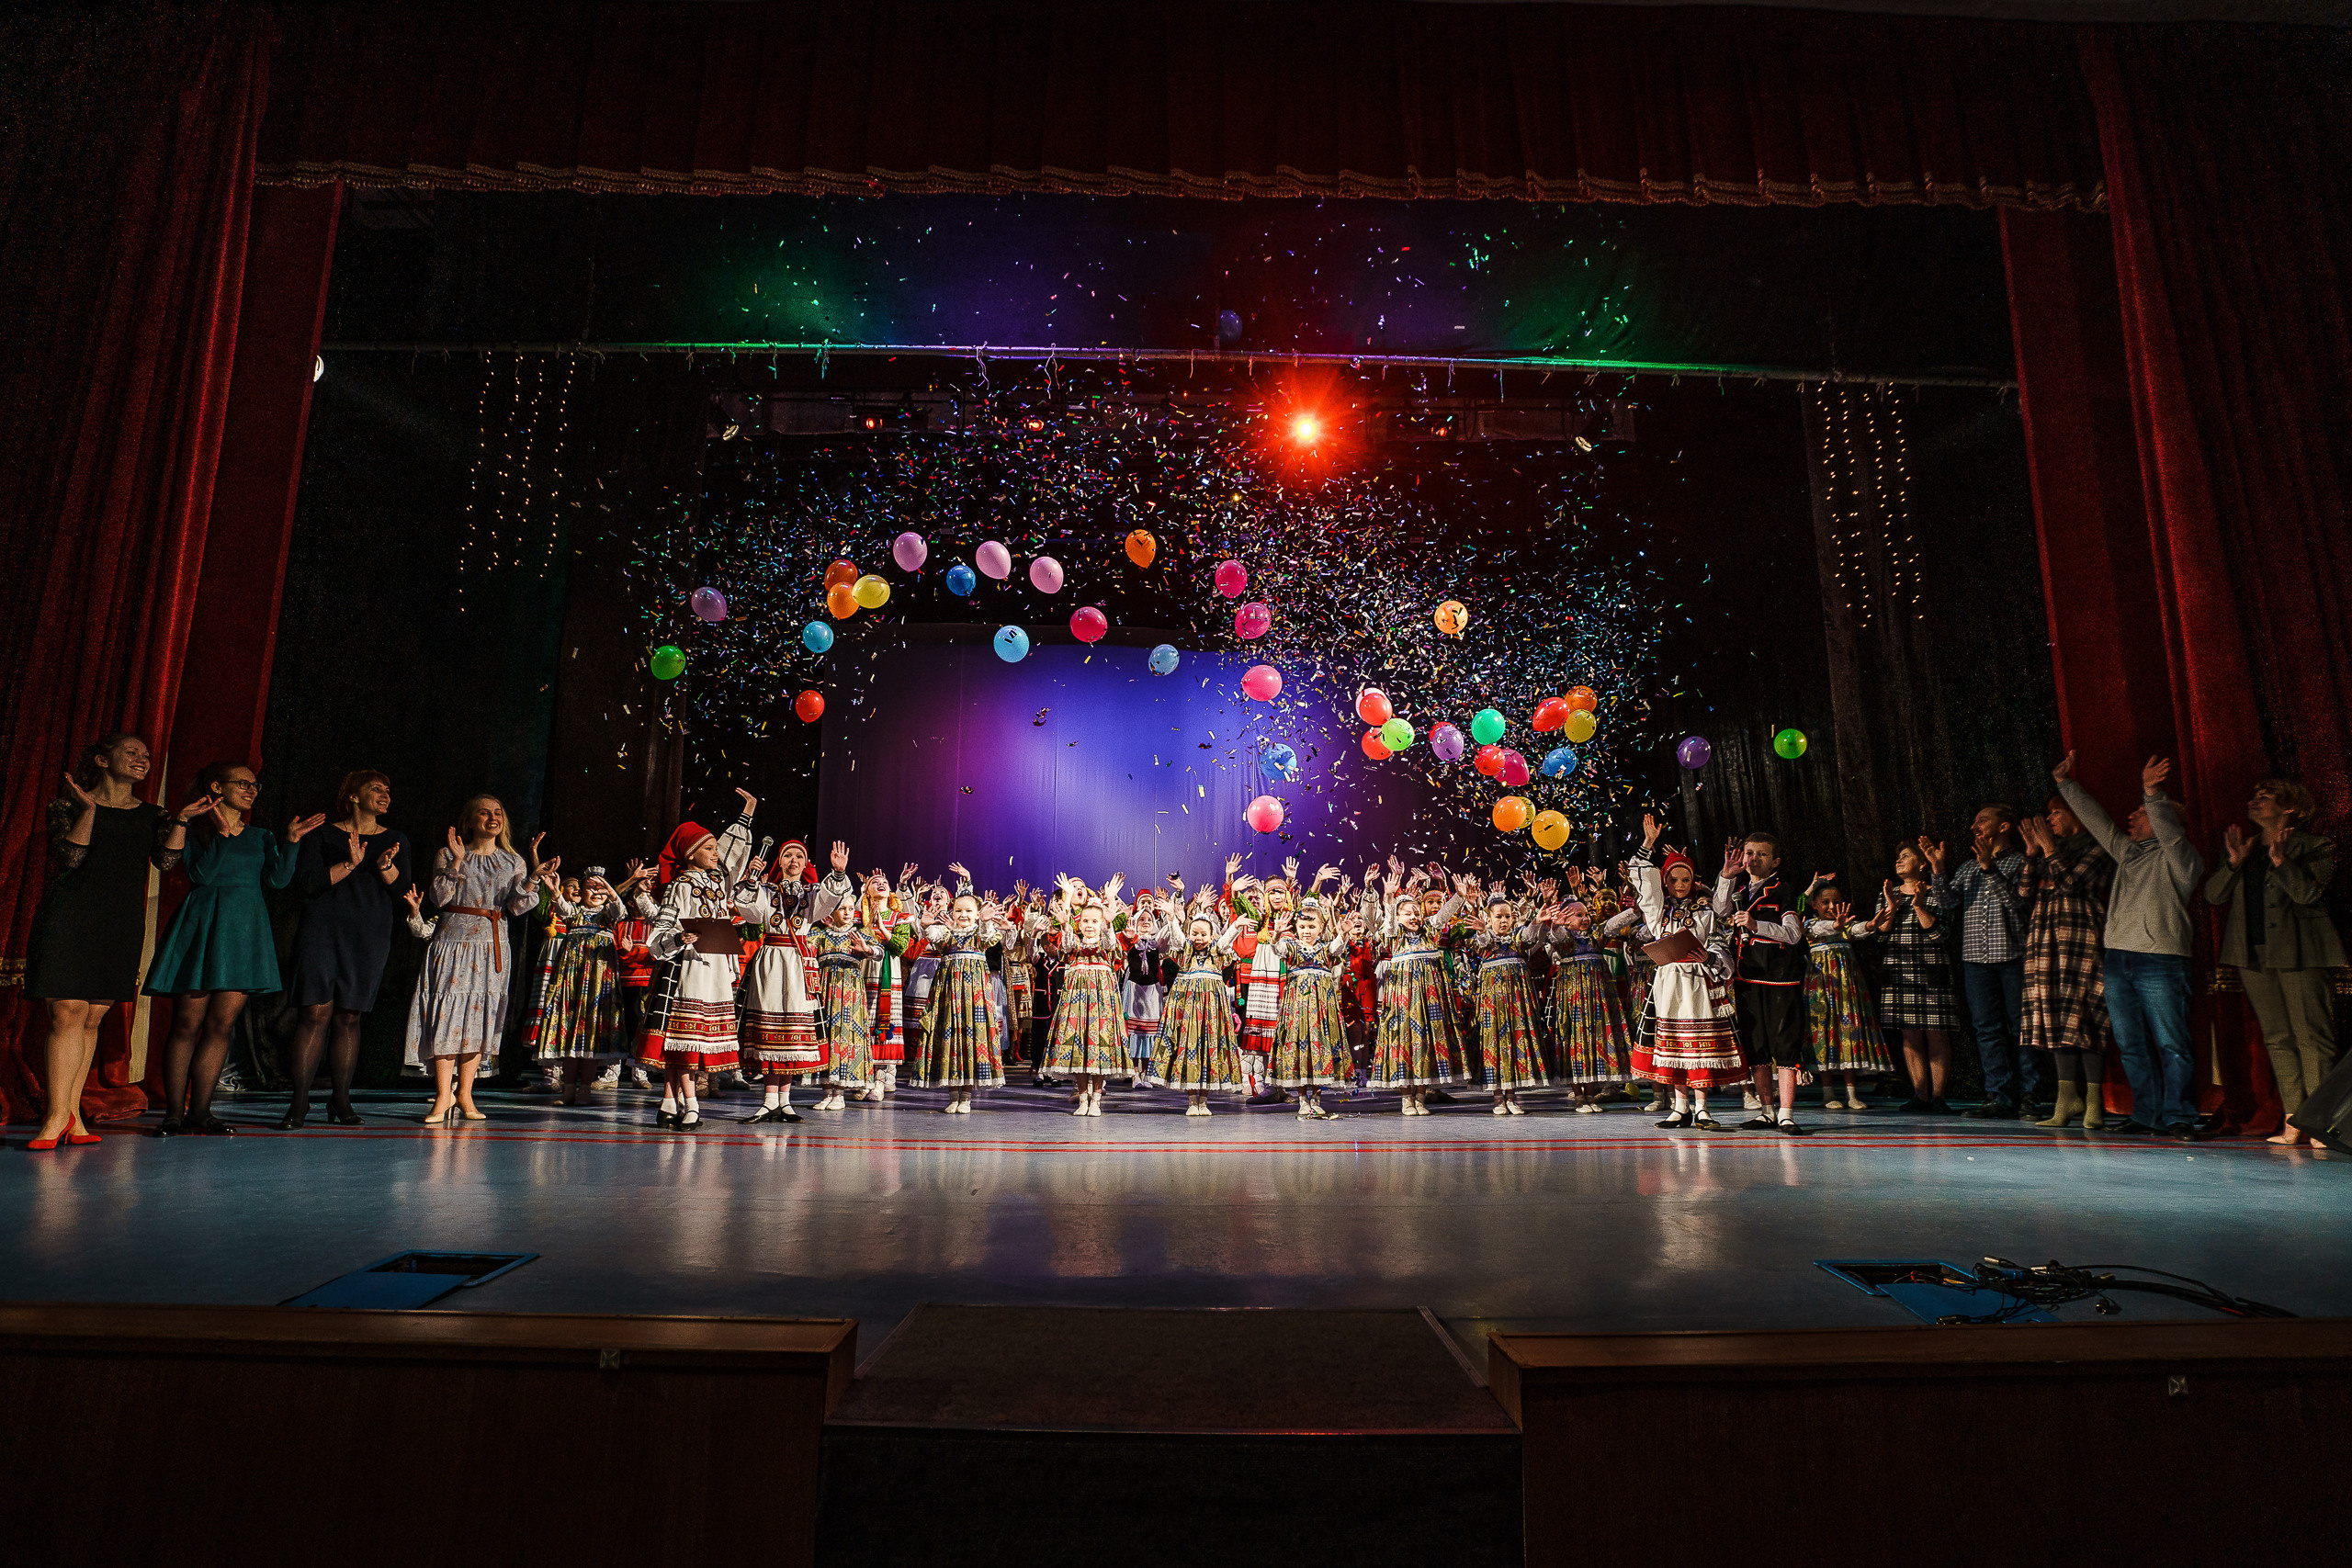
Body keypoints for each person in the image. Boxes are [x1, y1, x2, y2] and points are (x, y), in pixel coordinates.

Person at [23, 734, 190, 1148]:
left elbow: (167, 861)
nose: (142, 759)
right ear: (102, 760)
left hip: (119, 922)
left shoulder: (153, 814)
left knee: (93, 1017)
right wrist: (90, 811)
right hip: (70, 915)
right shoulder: (68, 806)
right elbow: (70, 857)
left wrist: (181, 820)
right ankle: (55, 1116)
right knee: (66, 1012)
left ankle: (73, 1115)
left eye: (146, 756)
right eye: (131, 752)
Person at [143, 761, 321, 1135]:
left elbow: (278, 880)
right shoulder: (196, 829)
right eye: (243, 783)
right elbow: (201, 875)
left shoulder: (261, 835)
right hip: (204, 927)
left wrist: (290, 842)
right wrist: (222, 836)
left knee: (221, 1026)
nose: (252, 790)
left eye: (256, 785)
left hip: (244, 933)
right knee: (186, 1024)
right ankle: (174, 1113)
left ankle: (202, 1112)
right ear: (216, 787)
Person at [2055, 754, 2203, 1138]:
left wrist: (2152, 792)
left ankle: (2179, 1115)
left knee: (2172, 1042)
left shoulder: (2181, 858)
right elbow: (2098, 823)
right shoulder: (2128, 853)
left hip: (2161, 959)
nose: (2132, 817)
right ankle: (2147, 1113)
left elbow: (2169, 832)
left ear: (2165, 821)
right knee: (2131, 1043)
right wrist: (2066, 785)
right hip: (2119, 958)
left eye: (2143, 812)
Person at [2205, 777, 2343, 1147]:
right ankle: (2294, 1118)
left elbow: (2308, 893)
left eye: (2264, 796)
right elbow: (2214, 895)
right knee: (2278, 1037)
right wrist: (2234, 863)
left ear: (2290, 808)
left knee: (2311, 1036)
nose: (2255, 801)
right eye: (2254, 794)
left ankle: (2321, 1121)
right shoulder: (2245, 849)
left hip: (2299, 951)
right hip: (2252, 953)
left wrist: (2281, 863)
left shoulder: (2313, 845)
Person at [280, 770, 410, 1128]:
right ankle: (299, 1103)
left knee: (349, 1017)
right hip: (322, 931)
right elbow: (307, 883)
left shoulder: (395, 839)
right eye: (375, 789)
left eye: (387, 789)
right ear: (353, 796)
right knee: (314, 1014)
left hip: (368, 934)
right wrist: (350, 863)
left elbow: (404, 893)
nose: (385, 795)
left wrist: (385, 868)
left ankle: (340, 1101)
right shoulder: (322, 834)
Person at [402, 796, 543, 1124]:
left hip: (490, 945)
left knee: (476, 1019)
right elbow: (439, 898)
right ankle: (442, 1095)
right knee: (447, 1015)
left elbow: (519, 907)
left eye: (498, 813)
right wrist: (456, 862)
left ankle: (465, 1094)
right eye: (484, 812)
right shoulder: (449, 853)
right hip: (452, 943)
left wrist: (533, 878)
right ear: (469, 820)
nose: (492, 817)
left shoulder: (513, 861)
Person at [639, 795, 767, 1130]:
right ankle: (691, 1104)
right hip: (690, 968)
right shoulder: (680, 885)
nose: (716, 854)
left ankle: (669, 1102)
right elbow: (662, 929)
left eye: (715, 849)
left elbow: (734, 853)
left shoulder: (717, 882)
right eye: (709, 849)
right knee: (683, 1039)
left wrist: (747, 814)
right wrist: (678, 939)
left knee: (693, 1039)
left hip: (715, 969)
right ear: (691, 852)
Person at [2017, 763, 2118, 1132]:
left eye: (2056, 813)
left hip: (2080, 943)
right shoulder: (2048, 851)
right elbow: (2024, 895)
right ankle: (2066, 1098)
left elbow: (2071, 884)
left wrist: (2047, 848)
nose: (2049, 820)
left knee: (2087, 1020)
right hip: (2044, 946)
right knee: (2057, 1022)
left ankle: (2093, 1103)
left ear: (2076, 814)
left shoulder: (2096, 847)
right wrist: (2032, 853)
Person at [1626, 814, 1744, 1129]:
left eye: (1686, 880)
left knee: (1698, 1046)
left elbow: (1721, 919)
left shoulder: (1705, 909)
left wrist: (1708, 956)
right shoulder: (1658, 910)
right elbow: (1642, 880)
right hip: (1668, 984)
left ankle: (1702, 1108)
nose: (1680, 885)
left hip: (1696, 983)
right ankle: (1680, 1107)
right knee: (1674, 1046)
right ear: (1665, 882)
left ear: (1694, 881)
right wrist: (1649, 843)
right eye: (1674, 880)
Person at [1926, 805, 2040, 1119]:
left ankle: (2028, 1095)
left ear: (2004, 826)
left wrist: (1990, 868)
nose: (1974, 825)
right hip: (1976, 958)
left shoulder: (2020, 861)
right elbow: (1948, 902)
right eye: (1974, 820)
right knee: (1986, 1028)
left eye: (1982, 820)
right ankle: (1998, 1095)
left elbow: (2019, 904)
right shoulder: (1968, 867)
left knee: (2022, 1027)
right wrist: (1938, 869)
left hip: (2013, 957)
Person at [1715, 831, 1812, 1135]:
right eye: (1748, 852)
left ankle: (1786, 1112)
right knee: (1756, 1047)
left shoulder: (1784, 891)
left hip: (1780, 979)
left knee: (1784, 1044)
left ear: (1775, 861)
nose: (1752, 858)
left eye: (1760, 854)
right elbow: (1719, 912)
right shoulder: (1739, 889)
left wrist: (1757, 925)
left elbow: (1794, 934)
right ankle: (1766, 1111)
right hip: (1747, 978)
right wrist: (1726, 876)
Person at [1368, 860, 1471, 1116]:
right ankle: (1406, 1099)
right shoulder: (1394, 936)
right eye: (1408, 913)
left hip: (1429, 999)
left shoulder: (1431, 933)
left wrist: (1458, 896)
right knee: (1404, 1043)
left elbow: (1443, 915)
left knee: (1426, 1043)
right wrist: (1390, 901)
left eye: (1416, 912)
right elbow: (1389, 925)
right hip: (1402, 1000)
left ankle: (1421, 1098)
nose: (1413, 917)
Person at [523, 865, 630, 1104]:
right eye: (591, 888)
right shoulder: (575, 912)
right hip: (573, 980)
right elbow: (562, 909)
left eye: (601, 888)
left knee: (591, 1036)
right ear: (580, 891)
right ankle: (568, 1089)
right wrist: (553, 891)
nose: (597, 892)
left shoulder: (608, 914)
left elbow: (619, 910)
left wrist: (609, 889)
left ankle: (585, 1090)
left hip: (598, 982)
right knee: (570, 1036)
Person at [1867, 845, 1958, 1112]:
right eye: (1898, 857)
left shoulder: (1937, 893)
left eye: (1905, 856)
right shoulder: (1889, 894)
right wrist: (1892, 908)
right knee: (1909, 1035)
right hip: (1898, 970)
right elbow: (1880, 936)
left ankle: (1939, 1096)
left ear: (1922, 864)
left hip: (1932, 970)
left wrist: (1918, 906)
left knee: (1937, 1033)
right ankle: (1921, 1095)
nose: (1898, 860)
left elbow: (1940, 935)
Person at [913, 864, 1009, 1113]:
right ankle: (953, 1094)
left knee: (971, 1038)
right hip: (948, 992)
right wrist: (924, 924)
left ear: (978, 914)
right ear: (952, 912)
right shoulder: (946, 932)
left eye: (969, 911)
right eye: (958, 910)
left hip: (974, 993)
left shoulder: (981, 932)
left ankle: (966, 1096)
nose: (963, 915)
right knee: (950, 1037)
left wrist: (987, 922)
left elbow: (990, 938)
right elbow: (932, 934)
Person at [1536, 888, 1640, 1111]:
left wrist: (1635, 909)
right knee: (1575, 1043)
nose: (1585, 918)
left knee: (1595, 1042)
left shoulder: (1595, 937)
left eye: (1586, 914)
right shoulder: (1565, 940)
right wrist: (1557, 924)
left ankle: (1591, 1094)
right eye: (1578, 915)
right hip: (1573, 1001)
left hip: (1597, 999)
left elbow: (1613, 924)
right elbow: (1557, 935)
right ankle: (1578, 1095)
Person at [1041, 875, 1131, 1116]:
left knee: (1099, 1045)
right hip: (1077, 998)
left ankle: (1097, 1100)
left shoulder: (1105, 941)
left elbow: (1112, 943)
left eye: (1094, 921)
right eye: (1086, 921)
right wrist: (1067, 911)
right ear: (1080, 923)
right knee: (1079, 1044)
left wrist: (1110, 914)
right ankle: (1082, 1098)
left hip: (1101, 997)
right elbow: (1067, 944)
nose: (1090, 925)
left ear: (1101, 922)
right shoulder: (1075, 941)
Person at [1150, 897, 1250, 1116]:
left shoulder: (1217, 950)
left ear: (1211, 936)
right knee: (1189, 1049)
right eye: (1195, 933)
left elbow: (1225, 943)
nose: (1199, 938)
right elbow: (1176, 939)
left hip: (1211, 1011)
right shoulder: (1185, 949)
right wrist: (1171, 918)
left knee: (1208, 1049)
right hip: (1188, 1010)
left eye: (1204, 934)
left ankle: (1203, 1101)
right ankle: (1191, 1102)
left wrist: (1234, 927)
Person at [1801, 878, 1893, 1111]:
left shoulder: (1846, 927)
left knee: (1848, 1033)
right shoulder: (1809, 925)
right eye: (1825, 902)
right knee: (1822, 1034)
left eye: (1837, 902)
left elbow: (1860, 929)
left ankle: (1852, 1094)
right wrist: (1836, 926)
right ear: (1814, 904)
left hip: (1845, 990)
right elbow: (1822, 928)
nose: (1832, 906)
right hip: (1820, 989)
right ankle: (1828, 1092)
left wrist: (1871, 925)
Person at [1465, 886, 1547, 1115]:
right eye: (1498, 917)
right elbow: (1482, 944)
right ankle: (1498, 1098)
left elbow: (1529, 936)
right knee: (1495, 1043)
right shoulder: (1484, 939)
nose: (1504, 921)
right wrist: (1482, 931)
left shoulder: (1518, 938)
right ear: (1488, 918)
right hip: (1492, 1001)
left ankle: (1512, 1097)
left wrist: (1536, 922)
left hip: (1517, 1000)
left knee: (1516, 1041)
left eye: (1508, 916)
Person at [1268, 896, 1349, 1120]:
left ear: (1320, 928)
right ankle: (1303, 1099)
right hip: (1298, 1011)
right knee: (1300, 1048)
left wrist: (1342, 933)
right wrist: (1276, 933)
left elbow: (1337, 947)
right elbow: (1277, 949)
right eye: (1302, 927)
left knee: (1320, 1048)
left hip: (1322, 1010)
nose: (1306, 931)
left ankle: (1317, 1098)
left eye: (1312, 927)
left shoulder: (1325, 949)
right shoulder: (1292, 948)